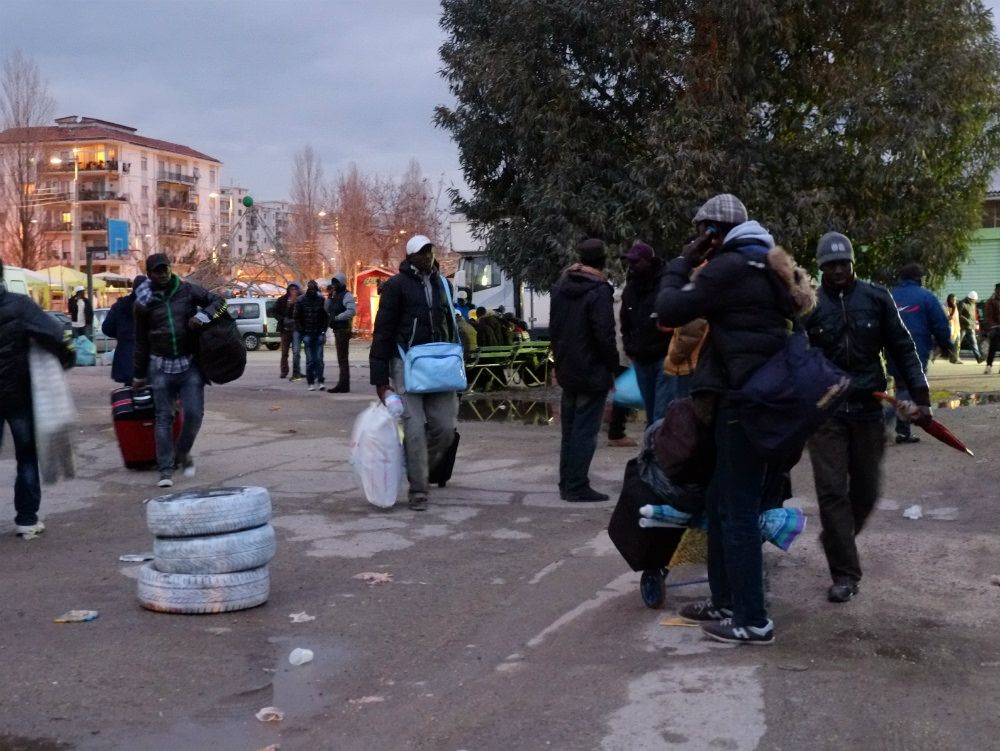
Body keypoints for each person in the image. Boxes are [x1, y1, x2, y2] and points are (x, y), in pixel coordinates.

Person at [656, 194, 815, 645]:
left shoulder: (728, 267)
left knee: (737, 510)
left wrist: (678, 264)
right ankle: (727, 601)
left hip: (740, 402)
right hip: (764, 399)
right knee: (722, 503)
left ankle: (752, 619)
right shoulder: (770, 265)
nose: (695, 238)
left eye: (699, 230)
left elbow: (669, 311)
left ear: (713, 232)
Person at [805, 233, 930, 604]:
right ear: (821, 268)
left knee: (867, 490)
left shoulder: (876, 298)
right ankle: (844, 573)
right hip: (826, 413)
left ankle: (836, 538)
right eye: (831, 265)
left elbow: (902, 348)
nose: (839, 270)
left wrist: (919, 397)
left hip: (867, 410)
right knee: (831, 492)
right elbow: (799, 356)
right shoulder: (809, 306)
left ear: (853, 265)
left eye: (844, 263)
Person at [370, 234, 460, 511]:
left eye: (430, 251)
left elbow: (450, 324)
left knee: (445, 428)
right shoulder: (396, 286)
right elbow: (382, 331)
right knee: (414, 428)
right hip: (405, 363)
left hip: (440, 366)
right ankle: (418, 490)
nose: (428, 256)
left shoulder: (443, 284)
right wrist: (380, 381)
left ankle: (415, 465)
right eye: (422, 252)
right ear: (410, 257)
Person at [133, 253, 226, 488]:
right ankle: (165, 470)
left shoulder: (187, 290)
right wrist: (138, 374)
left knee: (194, 414)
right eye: (157, 271)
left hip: (190, 365)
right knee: (163, 418)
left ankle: (182, 453)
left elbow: (220, 302)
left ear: (170, 269)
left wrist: (203, 316)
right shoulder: (143, 303)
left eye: (165, 269)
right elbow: (140, 341)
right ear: (149, 274)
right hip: (161, 366)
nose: (162, 274)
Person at [0, 260, 74, 539]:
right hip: (18, 393)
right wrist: (66, 358)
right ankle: (27, 520)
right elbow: (53, 332)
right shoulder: (19, 305)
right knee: (26, 456)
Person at [550, 238, 618, 502]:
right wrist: (612, 367)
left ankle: (567, 482)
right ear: (602, 260)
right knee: (586, 430)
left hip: (568, 365)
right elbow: (605, 334)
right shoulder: (599, 290)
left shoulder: (560, 286)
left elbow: (555, 329)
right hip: (592, 368)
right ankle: (577, 485)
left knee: (570, 428)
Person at [889, 263, 954, 443]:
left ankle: (900, 427)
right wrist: (946, 346)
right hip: (917, 350)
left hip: (892, 350)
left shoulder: (890, 296)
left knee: (902, 386)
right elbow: (940, 325)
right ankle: (896, 426)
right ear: (918, 278)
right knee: (910, 388)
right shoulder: (926, 297)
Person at [620, 240, 671, 424]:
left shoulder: (665, 285)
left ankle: (658, 450)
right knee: (651, 410)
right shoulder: (630, 291)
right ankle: (651, 449)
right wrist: (630, 348)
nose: (632, 266)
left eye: (636, 261)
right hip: (641, 358)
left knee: (661, 411)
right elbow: (625, 323)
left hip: (663, 358)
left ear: (650, 261)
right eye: (630, 262)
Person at [101, 274, 146, 386]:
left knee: (129, 395)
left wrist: (121, 335)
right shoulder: (152, 304)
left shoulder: (120, 305)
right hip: (148, 361)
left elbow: (106, 328)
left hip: (126, 359)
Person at [294, 280, 329, 392]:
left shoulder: (321, 300)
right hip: (308, 333)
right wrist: (302, 332)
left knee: (318, 359)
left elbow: (325, 317)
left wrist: (323, 331)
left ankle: (320, 381)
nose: (312, 290)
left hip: (317, 333)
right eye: (311, 288)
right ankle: (311, 382)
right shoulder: (302, 300)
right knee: (311, 360)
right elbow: (296, 317)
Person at [325, 272, 356, 393]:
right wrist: (329, 297)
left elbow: (351, 311)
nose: (334, 285)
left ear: (341, 283)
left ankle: (343, 384)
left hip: (343, 329)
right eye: (333, 283)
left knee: (342, 359)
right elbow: (326, 309)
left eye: (336, 282)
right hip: (337, 329)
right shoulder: (335, 295)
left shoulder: (346, 295)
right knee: (341, 359)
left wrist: (337, 318)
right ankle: (343, 384)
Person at [274, 282, 302, 381]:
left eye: (295, 289)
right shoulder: (282, 300)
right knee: (284, 352)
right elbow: (274, 311)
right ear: (288, 290)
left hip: (296, 329)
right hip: (285, 329)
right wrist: (282, 319)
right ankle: (284, 370)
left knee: (296, 352)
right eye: (291, 289)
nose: (293, 291)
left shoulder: (301, 300)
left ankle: (296, 371)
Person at [958, 291, 983, 363]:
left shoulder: (973, 304)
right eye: (974, 300)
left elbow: (973, 315)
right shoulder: (962, 303)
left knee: (974, 342)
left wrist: (975, 323)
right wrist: (967, 320)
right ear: (969, 298)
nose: (975, 301)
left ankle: (978, 358)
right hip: (962, 327)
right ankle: (953, 356)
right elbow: (959, 315)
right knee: (958, 342)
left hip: (970, 327)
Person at [983, 283, 1000, 374]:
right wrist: (992, 326)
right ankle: (988, 366)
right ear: (996, 290)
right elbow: (988, 316)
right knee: (993, 348)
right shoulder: (991, 301)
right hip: (995, 328)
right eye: (998, 290)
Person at [944, 294, 962, 364]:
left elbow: (956, 317)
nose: (955, 301)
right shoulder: (946, 307)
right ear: (949, 299)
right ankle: (937, 354)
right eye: (953, 300)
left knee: (957, 344)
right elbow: (948, 318)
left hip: (957, 327)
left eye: (955, 300)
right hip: (950, 328)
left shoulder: (955, 306)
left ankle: (955, 358)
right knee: (951, 343)